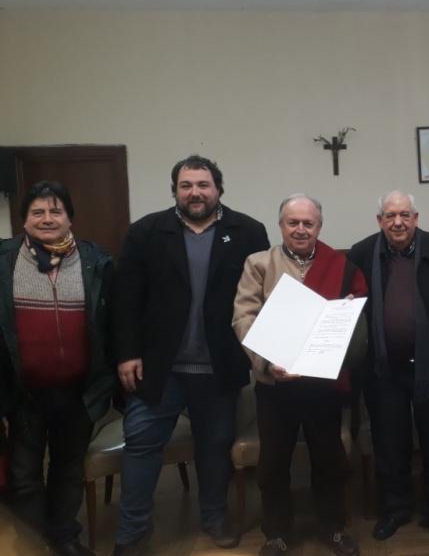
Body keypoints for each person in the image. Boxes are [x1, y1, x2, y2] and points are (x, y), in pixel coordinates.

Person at [112, 155, 269, 555]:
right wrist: (127, 353)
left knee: (214, 448)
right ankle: (132, 532)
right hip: (158, 368)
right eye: (186, 185)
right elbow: (125, 300)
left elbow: (262, 299)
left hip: (218, 367)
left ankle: (214, 518)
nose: (195, 192)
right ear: (175, 191)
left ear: (218, 188)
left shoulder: (249, 232)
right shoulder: (146, 232)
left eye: (203, 184)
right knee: (141, 445)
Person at [232, 194, 366, 556]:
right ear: (281, 225)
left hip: (322, 386)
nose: (301, 229)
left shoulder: (340, 265)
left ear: (319, 227)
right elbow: (244, 317)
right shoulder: (259, 264)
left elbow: (355, 321)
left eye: (309, 223)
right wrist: (268, 362)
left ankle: (333, 528)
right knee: (273, 462)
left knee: (329, 459)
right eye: (293, 222)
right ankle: (276, 532)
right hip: (276, 384)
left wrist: (347, 314)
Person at [348, 190, 429, 547]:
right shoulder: (361, 254)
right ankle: (396, 508)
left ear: (416, 218)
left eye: (405, 214)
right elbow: (347, 308)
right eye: (390, 216)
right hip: (382, 369)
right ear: (379, 221)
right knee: (389, 442)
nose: (398, 222)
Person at [0, 181, 114, 556]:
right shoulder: (4, 261)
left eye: (55, 211)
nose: (47, 219)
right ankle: (35, 544)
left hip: (78, 391)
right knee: (24, 474)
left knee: (68, 469)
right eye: (37, 212)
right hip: (22, 392)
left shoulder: (96, 261)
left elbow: (112, 323)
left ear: (69, 218)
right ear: (24, 220)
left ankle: (64, 537)